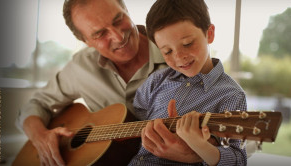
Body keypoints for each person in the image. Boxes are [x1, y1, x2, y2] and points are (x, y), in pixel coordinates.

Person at [16, 0, 214, 165]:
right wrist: (40, 136)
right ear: (85, 41)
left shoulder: (183, 57)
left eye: (119, 19)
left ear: (127, 10)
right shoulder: (81, 66)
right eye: (100, 34)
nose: (119, 37)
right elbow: (36, 104)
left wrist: (194, 155)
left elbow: (219, 140)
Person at [128, 0, 247, 165]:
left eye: (187, 44)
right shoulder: (156, 80)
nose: (178, 57)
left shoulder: (231, 95)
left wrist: (199, 146)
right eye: (167, 51)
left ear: (209, 34)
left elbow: (238, 159)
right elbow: (138, 113)